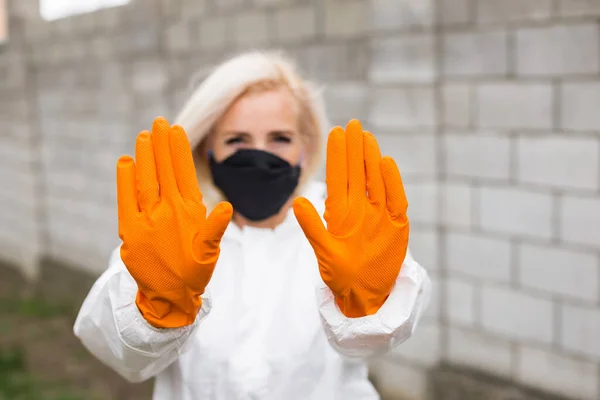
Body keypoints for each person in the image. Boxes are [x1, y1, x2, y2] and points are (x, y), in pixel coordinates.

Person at [73, 51, 432, 400]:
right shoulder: (168, 232)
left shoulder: (349, 226)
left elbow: (375, 342)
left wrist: (367, 304)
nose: (259, 155)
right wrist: (155, 308)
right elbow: (117, 352)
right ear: (206, 151)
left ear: (305, 147)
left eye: (280, 138)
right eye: (236, 140)